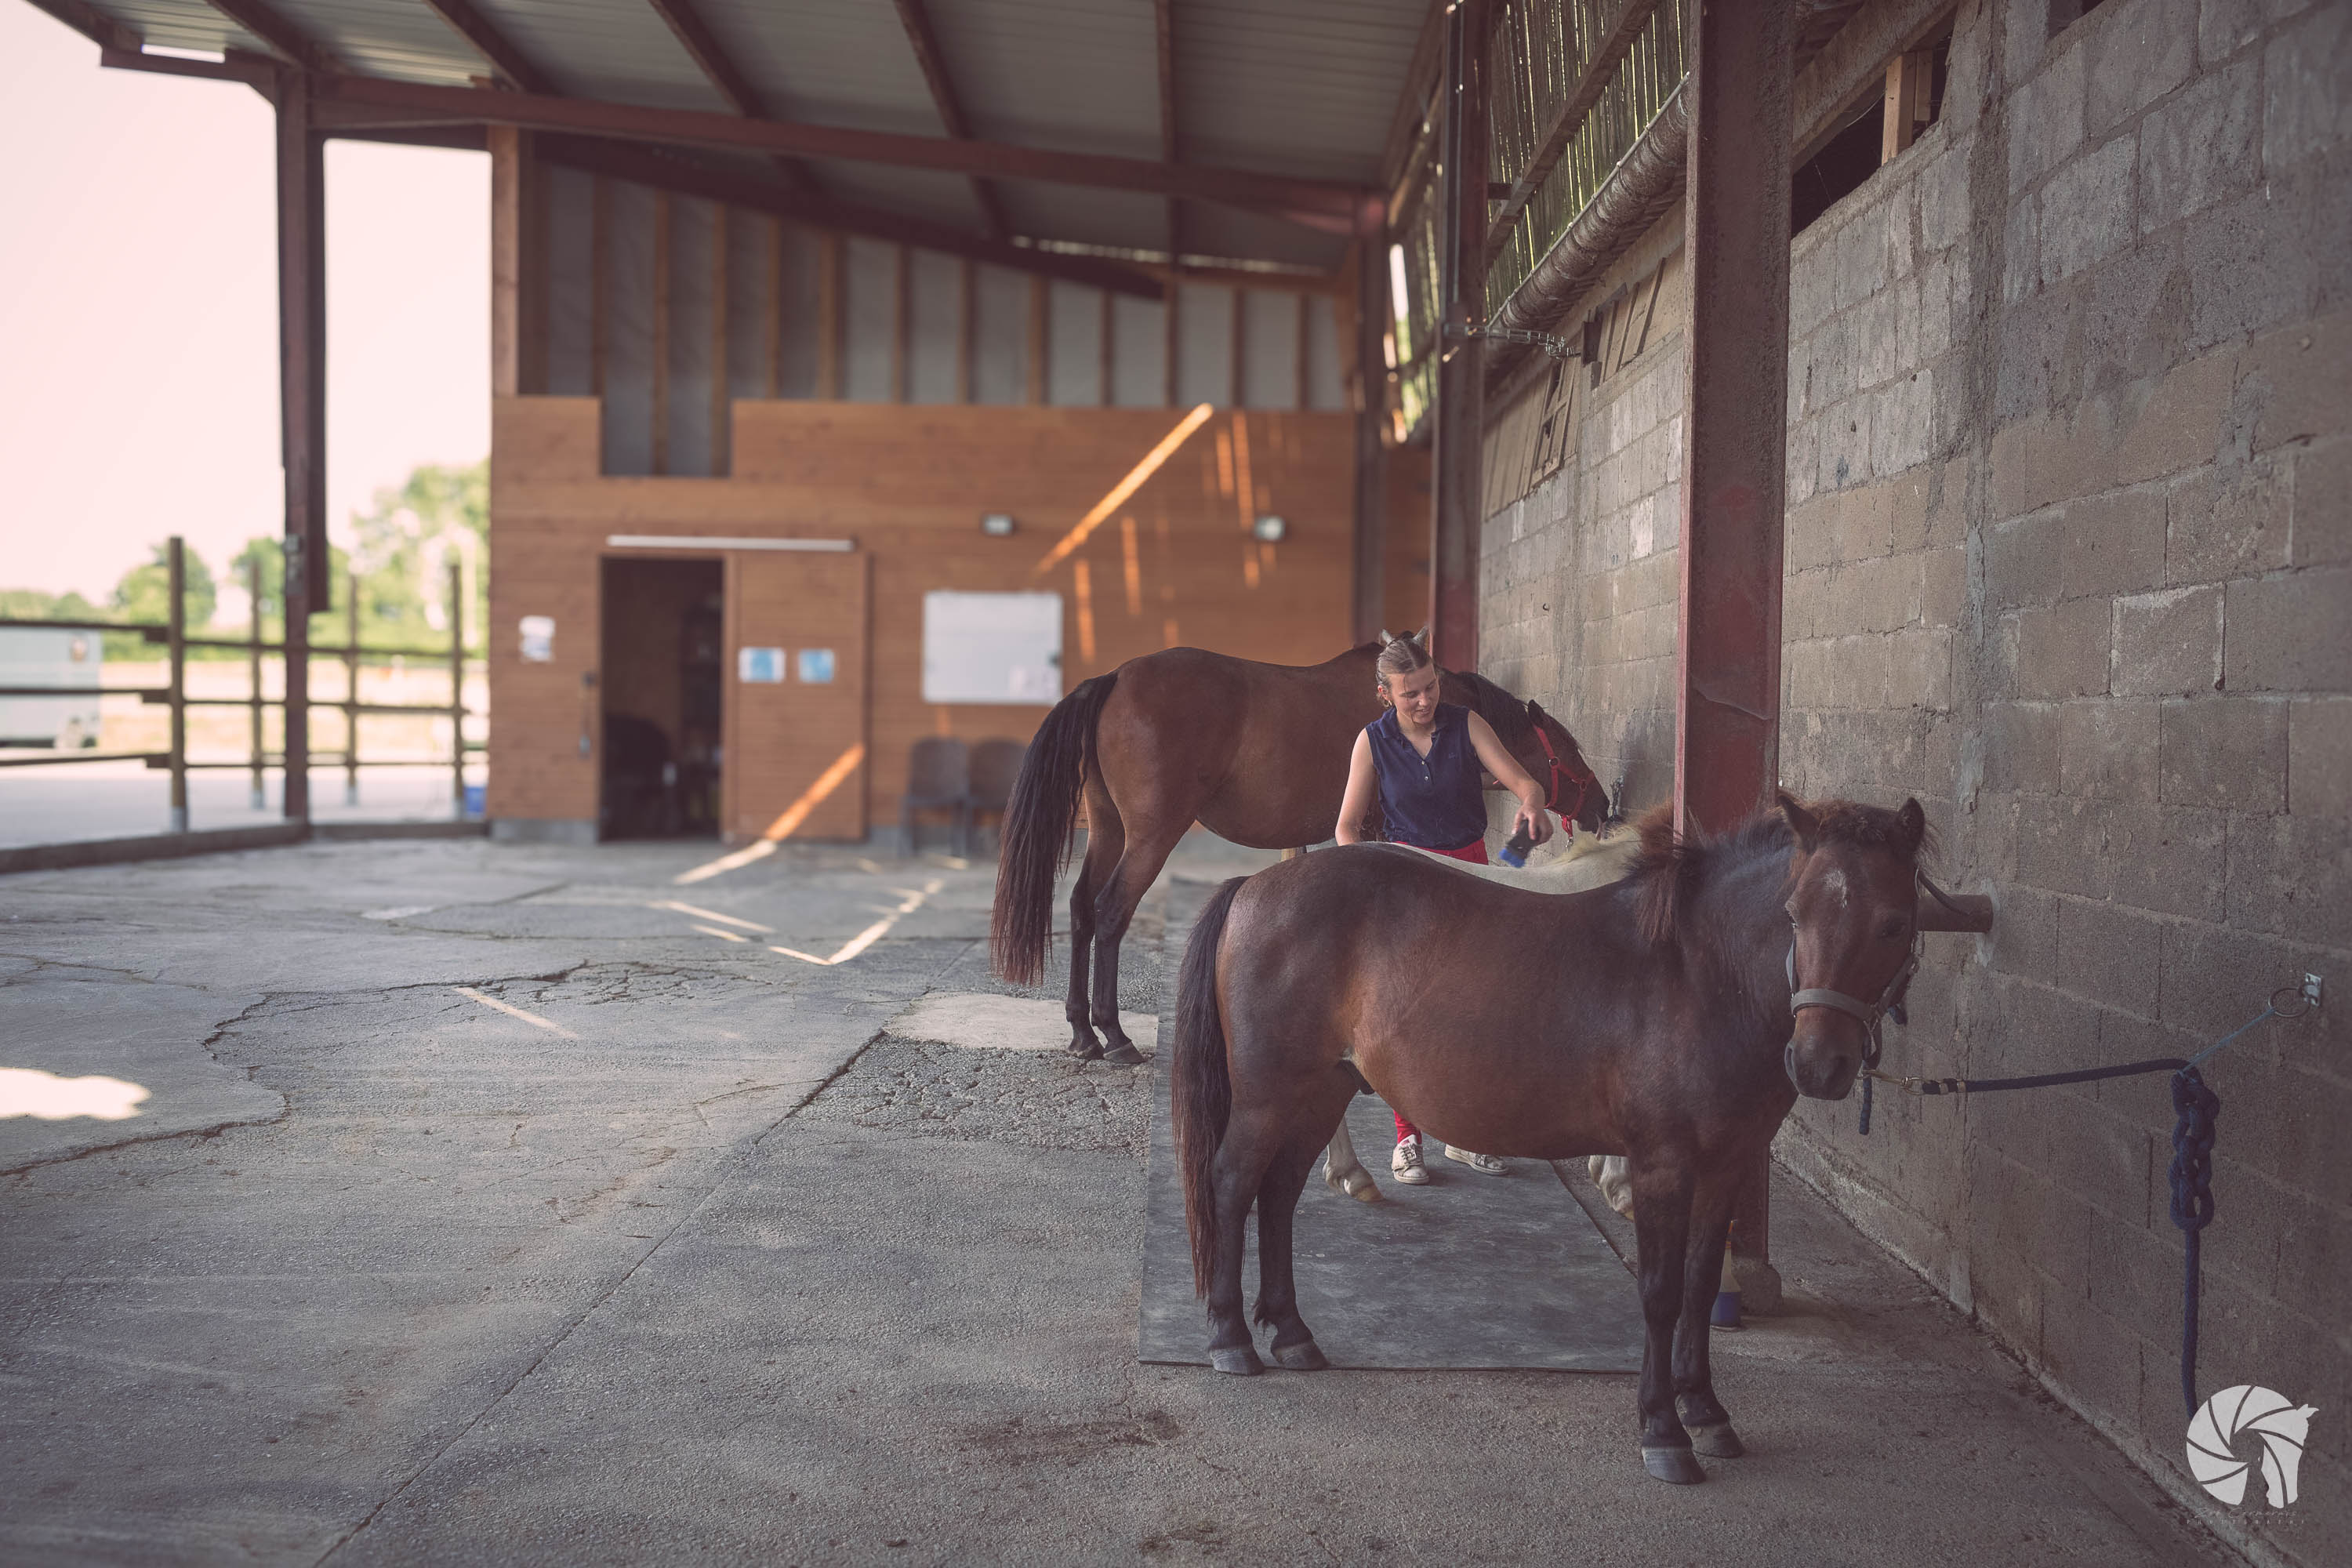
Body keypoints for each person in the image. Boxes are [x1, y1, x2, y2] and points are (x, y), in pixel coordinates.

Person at [1333, 632, 1553, 1186]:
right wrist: (1363, 872)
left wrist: (1530, 811)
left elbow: (1526, 784)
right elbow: (1346, 826)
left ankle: (1468, 1134)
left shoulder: (1467, 724)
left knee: (1480, 1004)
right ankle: (1408, 1138)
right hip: (1409, 883)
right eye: (1410, 695)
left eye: (1429, 687)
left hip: (1476, 872)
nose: (1425, 701)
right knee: (1406, 1011)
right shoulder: (1372, 742)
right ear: (1385, 695)